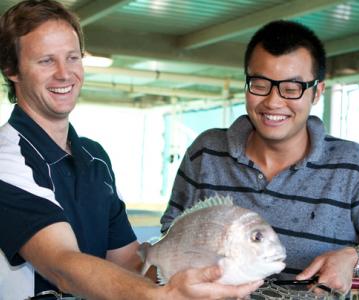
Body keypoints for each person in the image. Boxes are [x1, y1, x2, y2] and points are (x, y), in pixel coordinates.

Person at [0, 1, 263, 299]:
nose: (64, 73)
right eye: (46, 61)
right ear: (12, 70)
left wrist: (212, 264)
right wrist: (164, 296)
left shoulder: (94, 157)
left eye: (72, 58)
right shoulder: (6, 157)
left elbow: (128, 265)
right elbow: (62, 266)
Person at [160, 20, 359, 295]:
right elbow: (172, 236)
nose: (273, 102)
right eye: (260, 84)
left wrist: (353, 259)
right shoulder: (206, 152)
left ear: (317, 92)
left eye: (291, 88)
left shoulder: (354, 167)